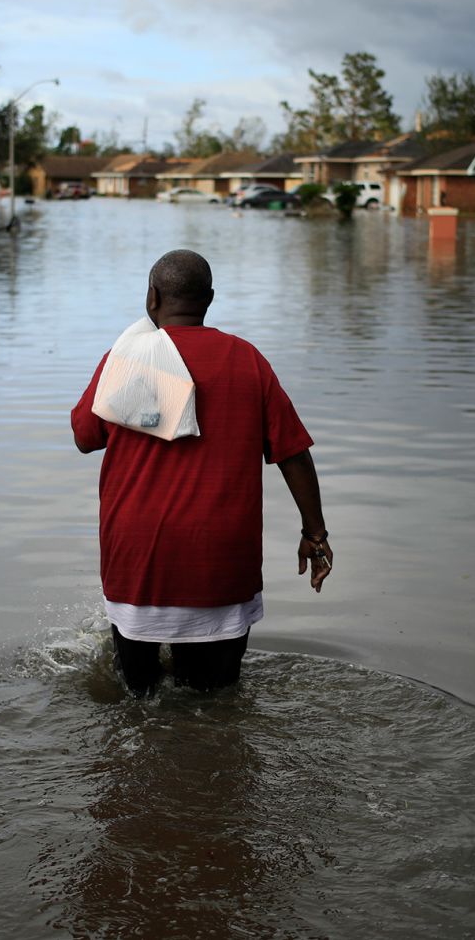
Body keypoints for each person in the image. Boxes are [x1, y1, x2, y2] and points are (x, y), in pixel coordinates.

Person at [71, 249, 331, 696]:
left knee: (138, 700)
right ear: (209, 299)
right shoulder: (247, 360)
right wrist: (315, 532)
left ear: (151, 297)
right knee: (215, 701)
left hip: (138, 558)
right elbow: (294, 454)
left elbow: (84, 436)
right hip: (221, 561)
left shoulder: (128, 359)